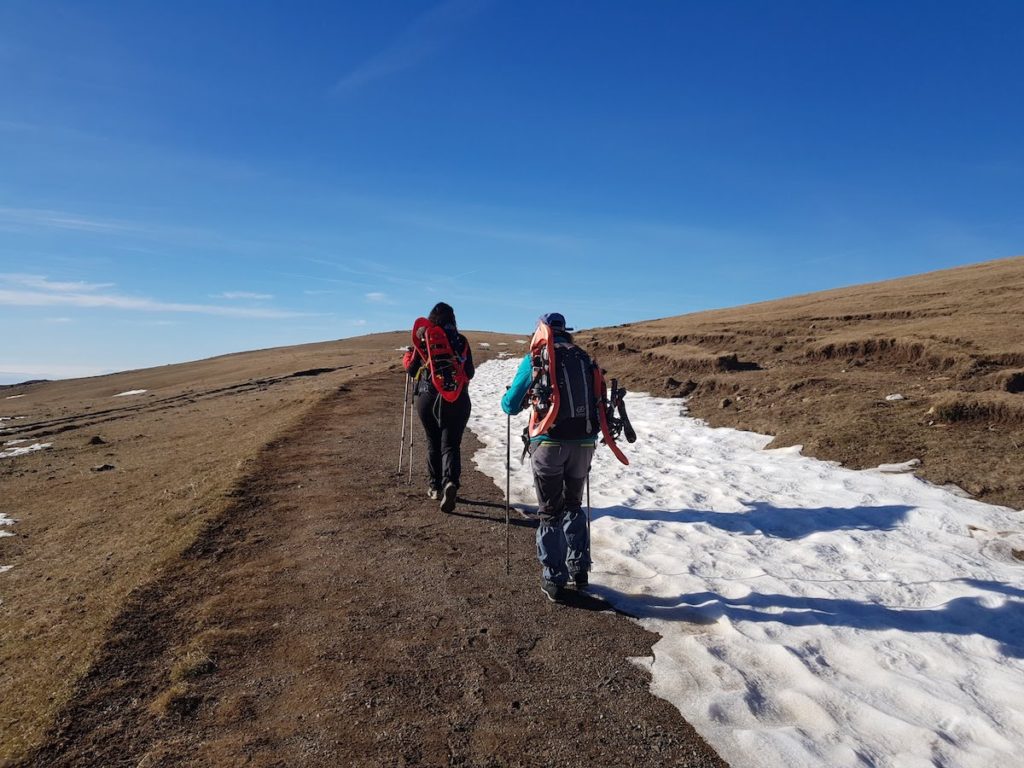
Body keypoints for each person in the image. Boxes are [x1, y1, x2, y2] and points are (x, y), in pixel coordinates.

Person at [501, 312, 597, 603]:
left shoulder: (536, 358)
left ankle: (553, 579)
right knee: (573, 504)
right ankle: (579, 570)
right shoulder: (583, 357)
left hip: (549, 443)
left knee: (550, 511)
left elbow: (510, 404)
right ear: (565, 331)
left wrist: (512, 398)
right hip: (584, 443)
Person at [403, 302, 475, 513]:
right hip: (457, 398)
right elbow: (469, 372)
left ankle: (435, 487)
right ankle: (450, 482)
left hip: (427, 396)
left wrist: (408, 357)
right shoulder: (461, 341)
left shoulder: (424, 339)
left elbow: (411, 369)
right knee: (451, 444)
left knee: (433, 441)